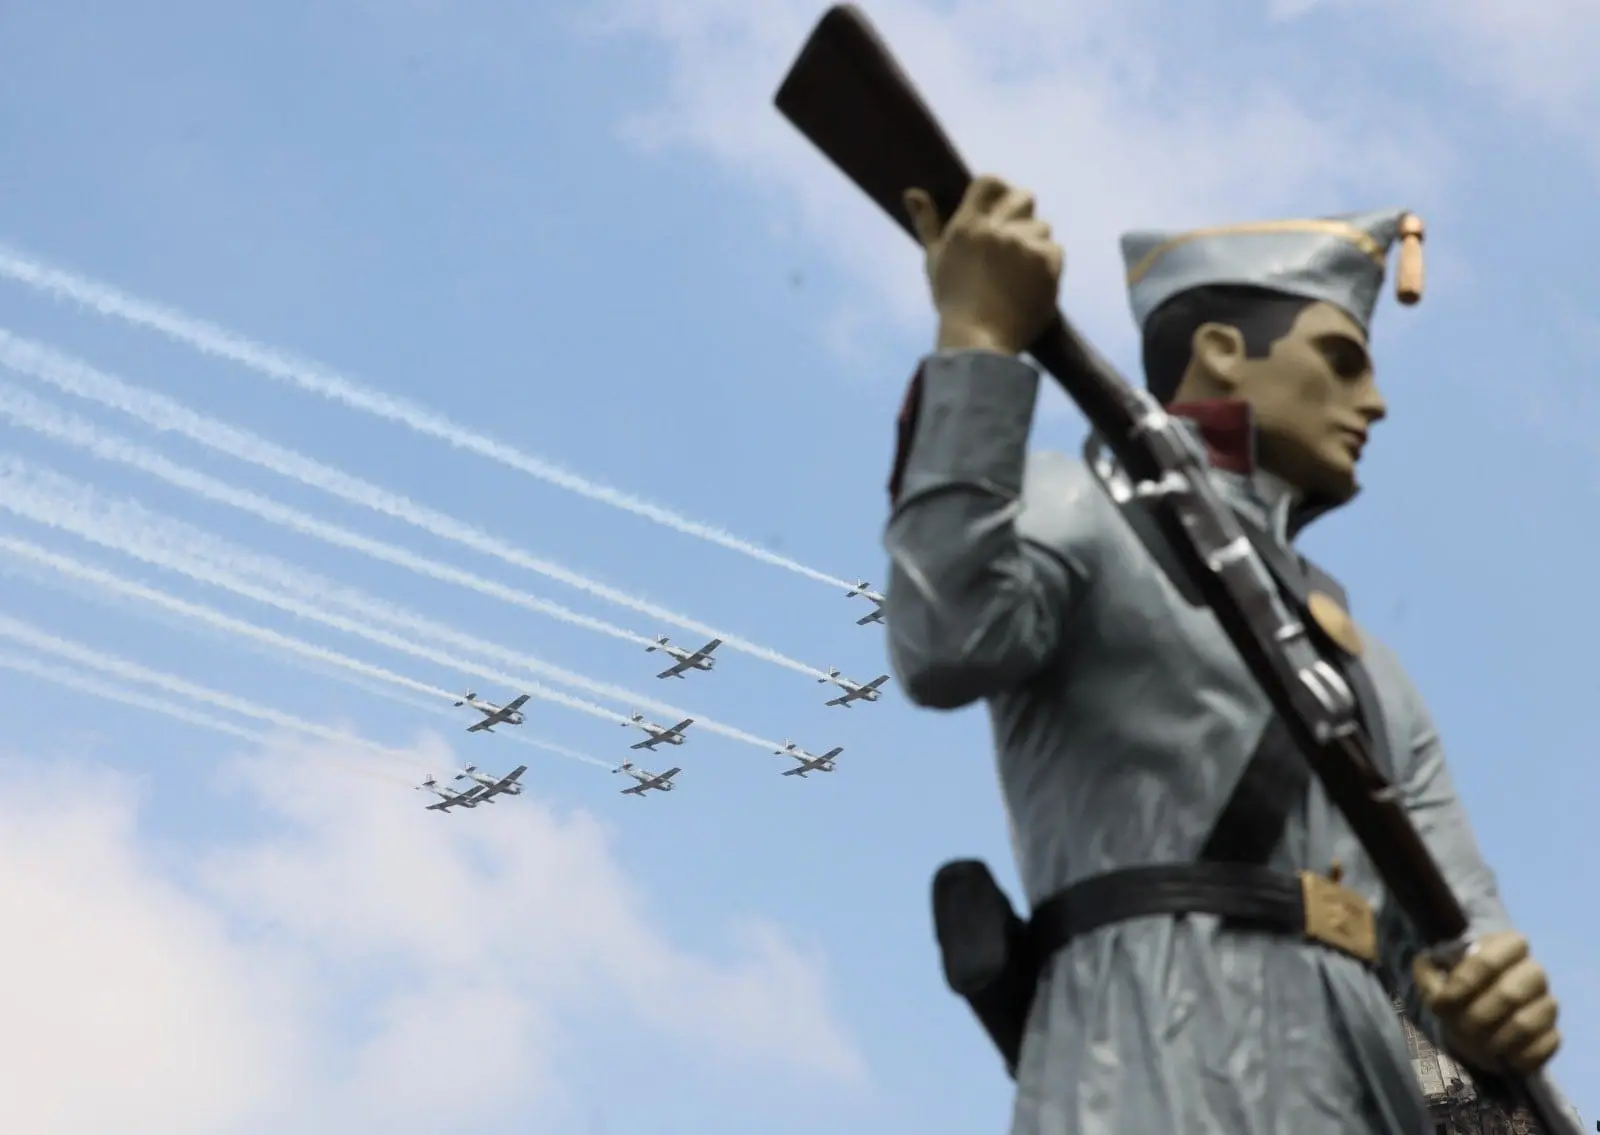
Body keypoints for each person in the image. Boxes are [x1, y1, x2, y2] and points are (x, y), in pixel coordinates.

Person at [882, 174, 1566, 1134]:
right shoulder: (1081, 508)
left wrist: (1494, 996)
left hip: (1367, 1084)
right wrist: (978, 341)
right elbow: (944, 637)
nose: (1373, 402)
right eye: (1341, 360)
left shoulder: (1371, 673)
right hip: (1142, 1059)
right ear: (1221, 352)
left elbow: (1456, 929)